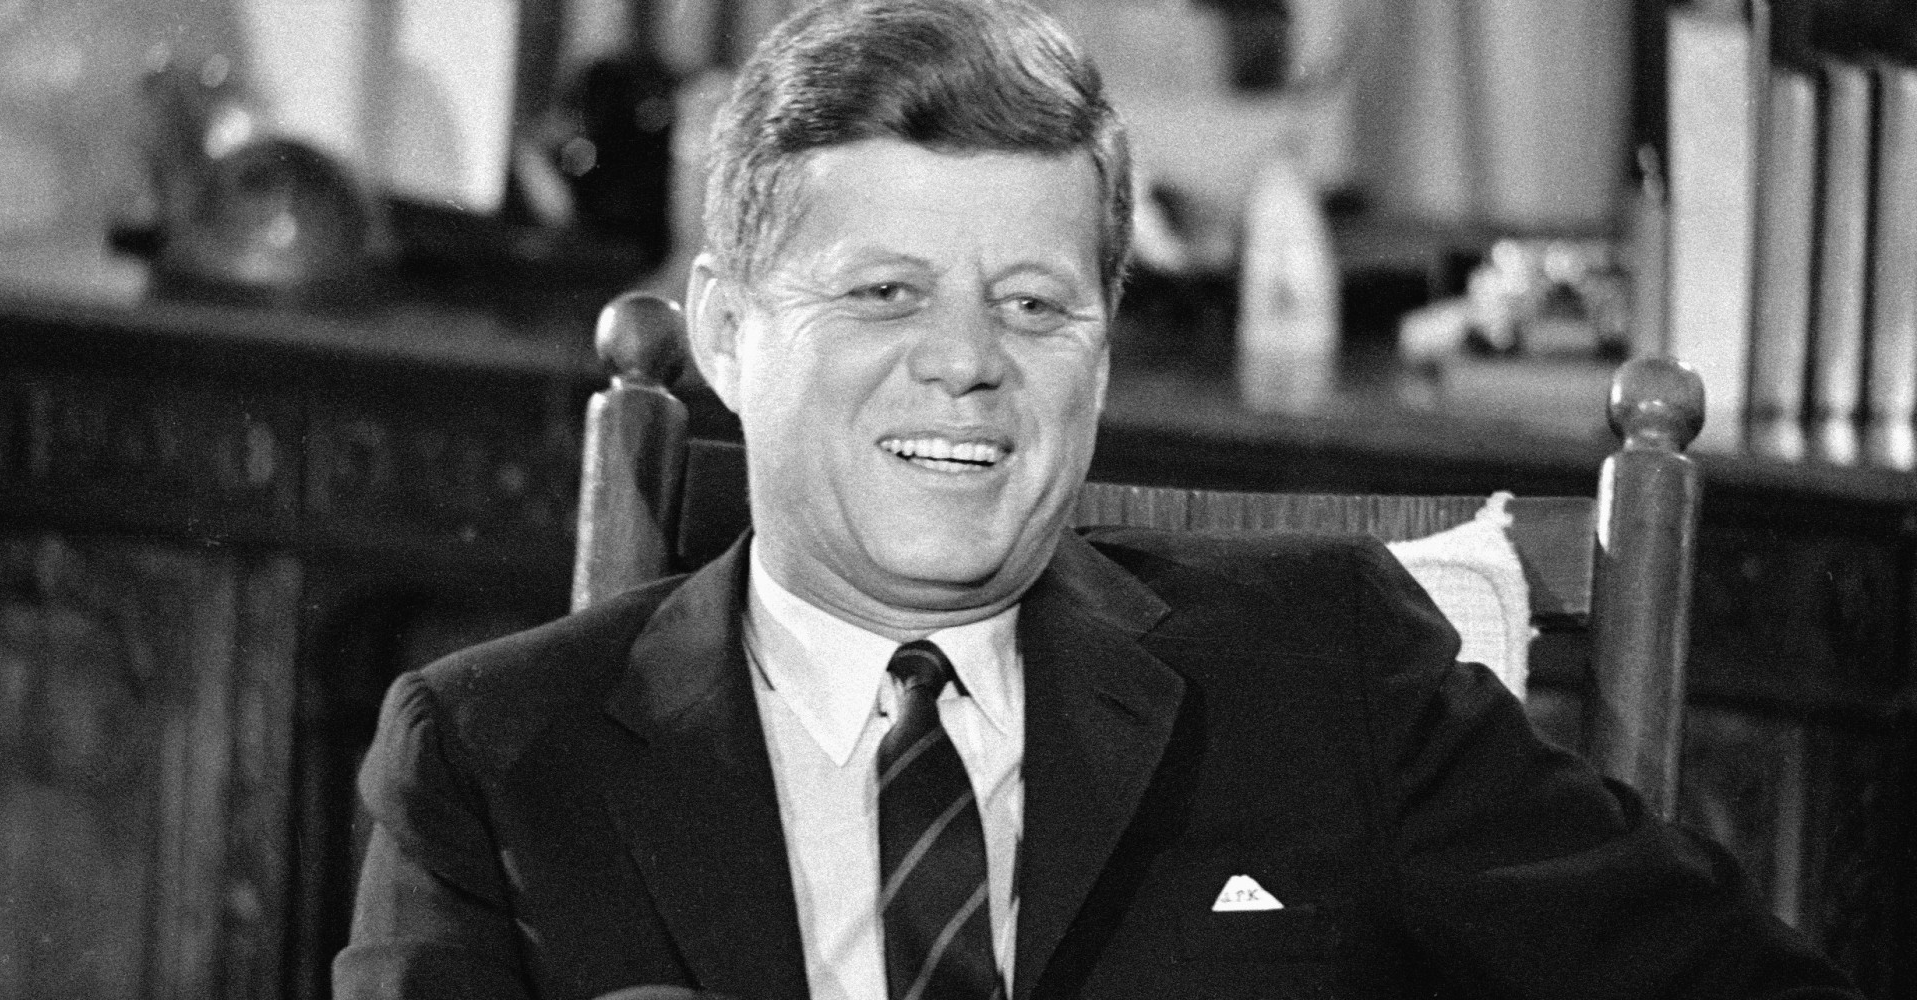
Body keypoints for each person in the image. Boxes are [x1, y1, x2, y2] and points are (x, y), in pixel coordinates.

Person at [332, 1, 1858, 998]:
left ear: (1103, 351)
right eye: (884, 292)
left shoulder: (1323, 669)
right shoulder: (493, 756)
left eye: (1034, 304)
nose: (966, 364)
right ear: (728, 333)